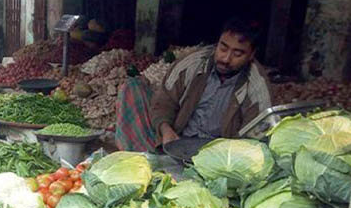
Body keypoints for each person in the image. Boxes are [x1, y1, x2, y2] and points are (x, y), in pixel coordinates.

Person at [114, 18, 272, 151]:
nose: (226, 58)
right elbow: (164, 102)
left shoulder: (256, 86)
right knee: (132, 88)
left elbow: (256, 136)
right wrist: (166, 130)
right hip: (177, 141)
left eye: (237, 53)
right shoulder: (192, 64)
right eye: (223, 48)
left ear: (251, 55)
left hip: (220, 155)